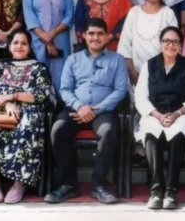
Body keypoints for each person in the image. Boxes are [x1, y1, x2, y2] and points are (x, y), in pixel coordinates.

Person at [45, 18, 128, 205]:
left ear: (107, 37)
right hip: (76, 109)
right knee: (58, 130)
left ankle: (99, 185)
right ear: (84, 36)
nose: (95, 37)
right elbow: (64, 89)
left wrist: (96, 108)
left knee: (108, 131)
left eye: (100, 33)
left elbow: (120, 90)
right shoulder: (73, 60)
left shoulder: (117, 60)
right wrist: (80, 106)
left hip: (104, 110)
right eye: (91, 33)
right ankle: (68, 184)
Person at [0, 28, 55, 204]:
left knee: (27, 126)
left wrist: (12, 97)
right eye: (15, 43)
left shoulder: (39, 67)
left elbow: (40, 94)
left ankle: (19, 183)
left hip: (29, 110)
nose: (19, 46)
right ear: (9, 46)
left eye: (24, 43)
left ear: (30, 47)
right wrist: (6, 103)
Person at [135, 26, 185, 210]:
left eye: (175, 41)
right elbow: (140, 98)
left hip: (181, 113)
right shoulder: (149, 65)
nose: (170, 45)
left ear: (180, 45)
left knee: (178, 133)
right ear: (160, 43)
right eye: (166, 41)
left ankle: (171, 190)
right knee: (150, 133)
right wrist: (158, 115)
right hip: (155, 114)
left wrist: (176, 114)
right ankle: (156, 189)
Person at [23, 0, 74, 95]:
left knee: (61, 77)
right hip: (37, 40)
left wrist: (52, 34)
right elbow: (29, 14)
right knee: (38, 76)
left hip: (60, 40)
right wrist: (44, 37)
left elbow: (69, 15)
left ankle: (59, 111)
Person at [117, 0, 178, 96]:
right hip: (135, 73)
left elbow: (174, 45)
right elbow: (124, 45)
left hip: (163, 74)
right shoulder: (134, 12)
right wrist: (132, 72)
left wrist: (163, 74)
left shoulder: (168, 13)